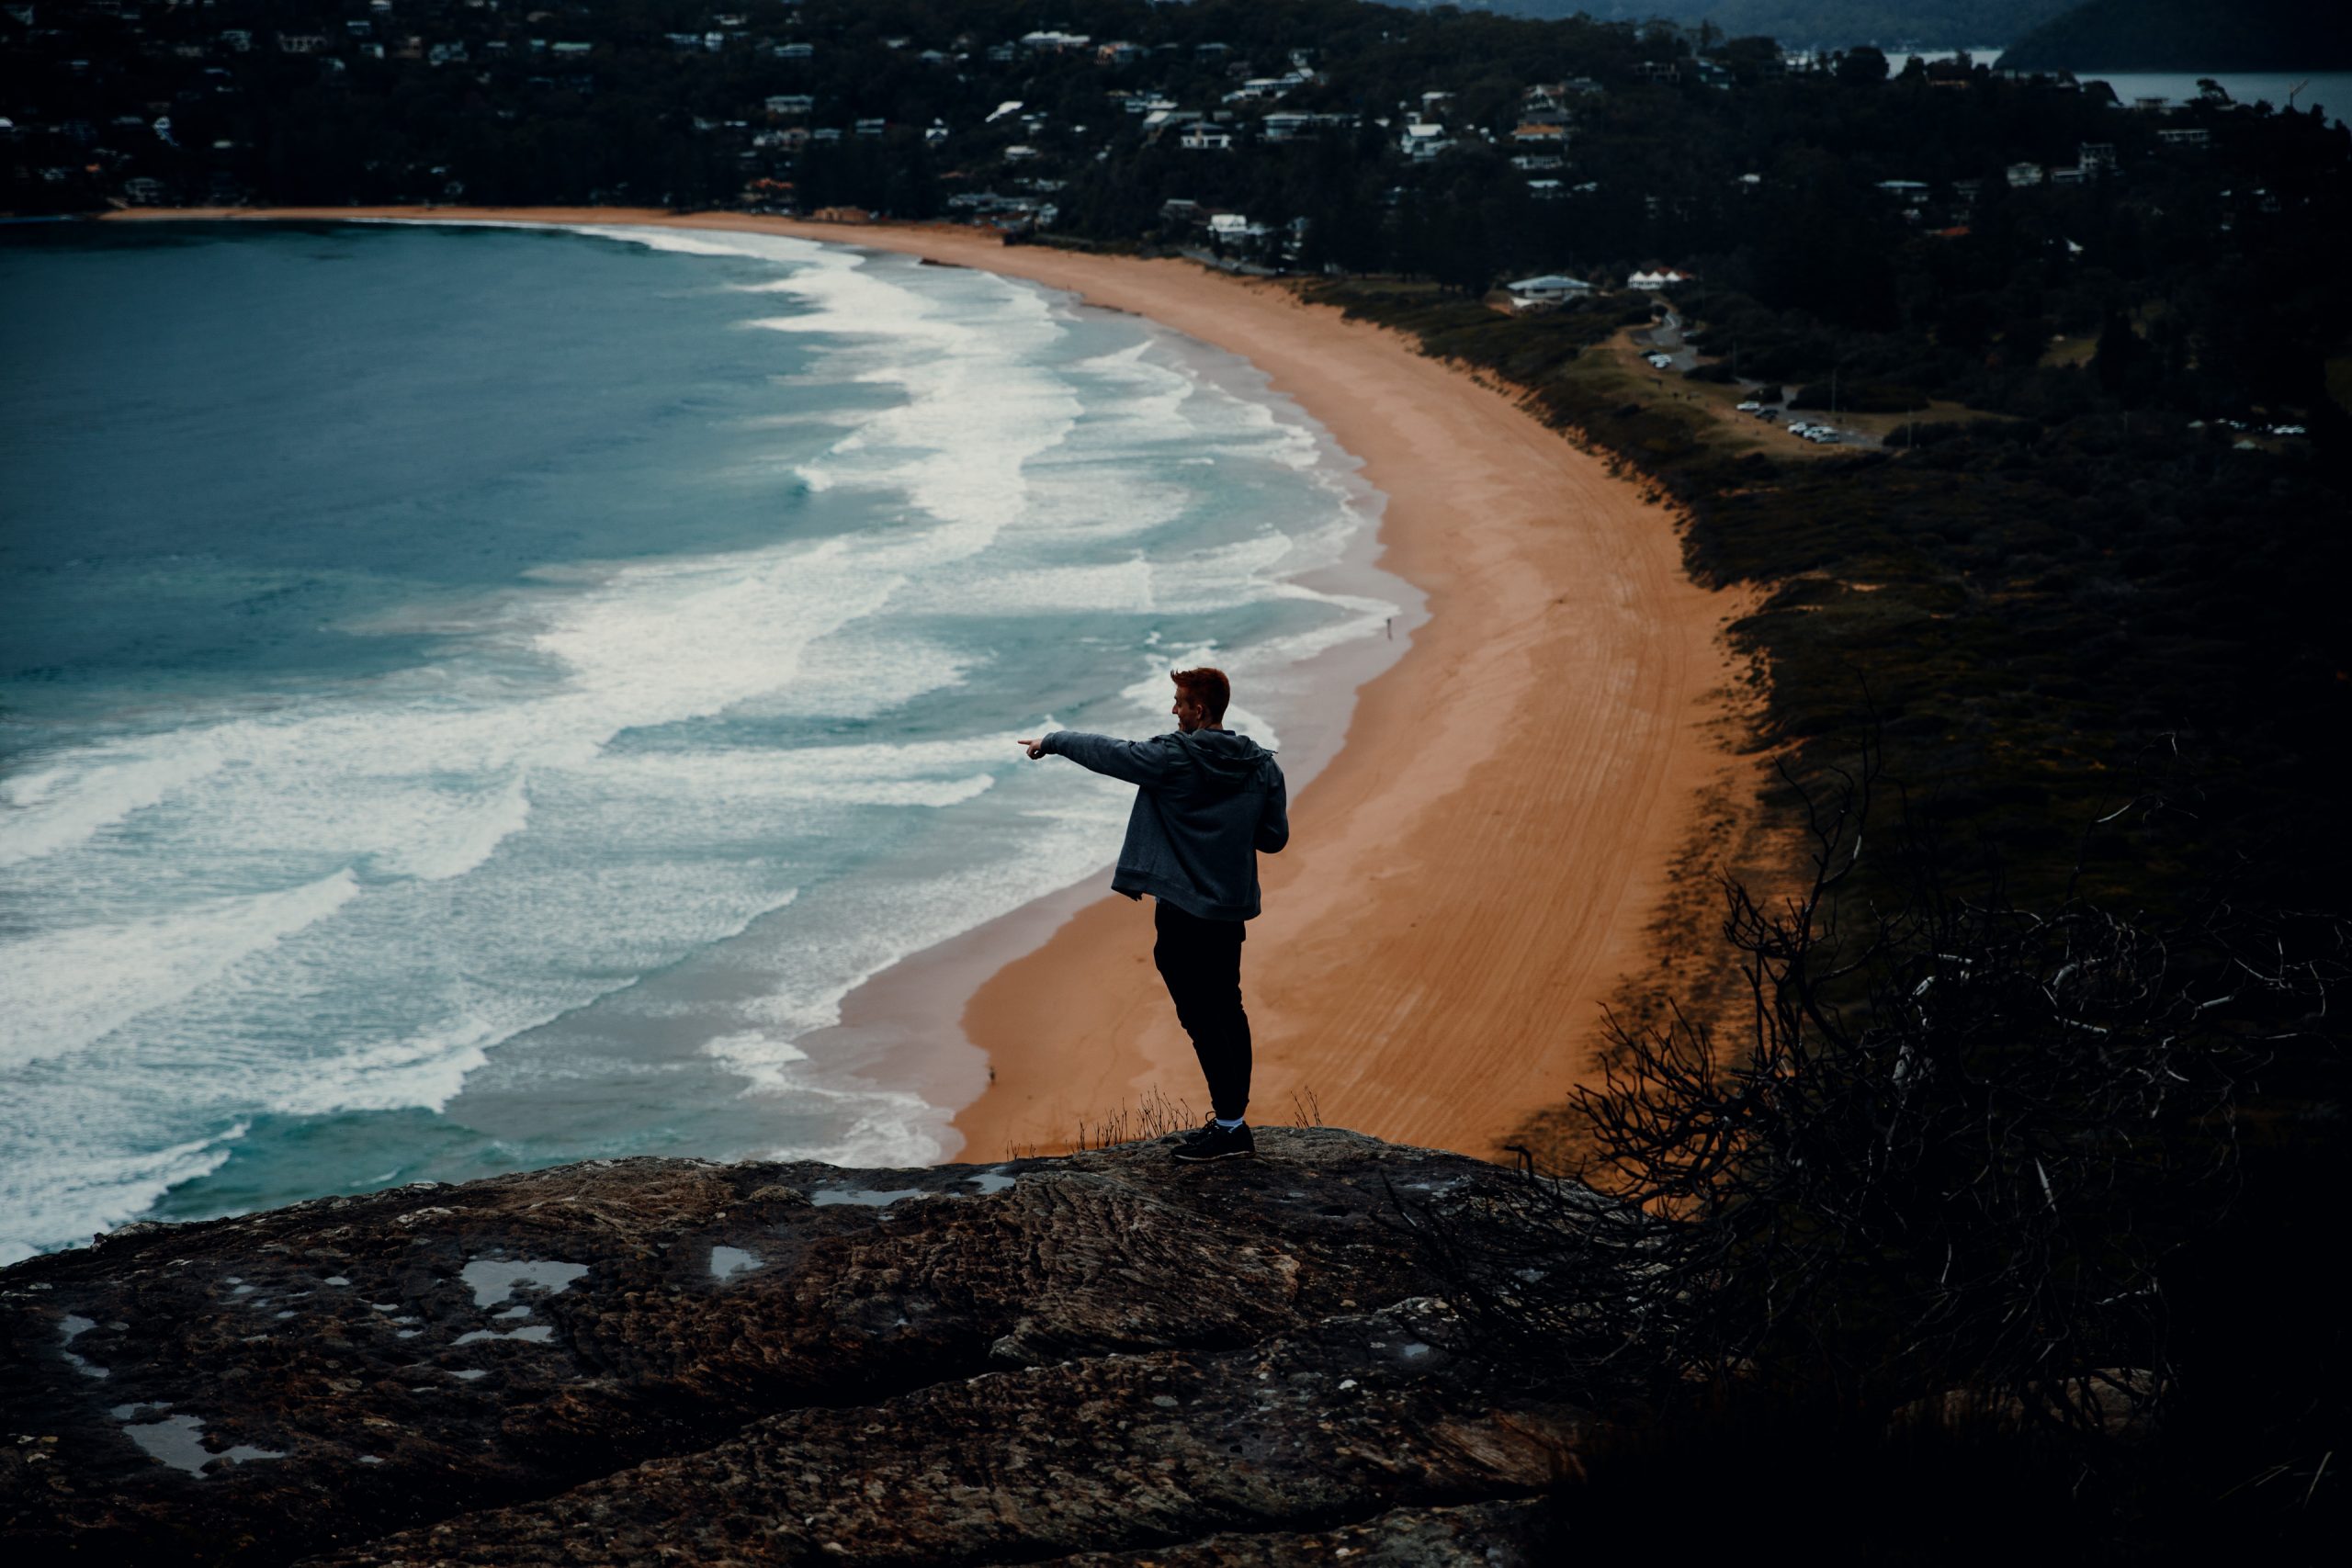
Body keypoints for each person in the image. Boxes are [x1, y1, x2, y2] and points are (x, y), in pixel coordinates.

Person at [1017, 667, 1287, 1162]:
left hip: (1184, 910)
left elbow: (1110, 753)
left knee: (1201, 1016)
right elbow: (1273, 839)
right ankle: (1233, 1121)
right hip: (1229, 911)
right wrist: (1228, 828)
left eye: (1179, 702)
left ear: (1199, 710)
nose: (1173, 710)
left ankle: (1229, 1131)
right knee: (1229, 1007)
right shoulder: (1261, 766)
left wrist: (1053, 740)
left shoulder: (1173, 758)